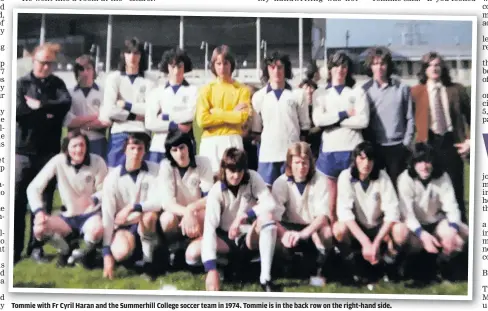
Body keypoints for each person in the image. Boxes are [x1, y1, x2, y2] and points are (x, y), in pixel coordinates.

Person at [15, 42, 72, 264]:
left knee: (44, 203)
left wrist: (40, 106)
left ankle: (36, 248)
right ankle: (15, 248)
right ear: (34, 61)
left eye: (50, 64)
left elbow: (64, 105)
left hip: (48, 153)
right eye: (42, 63)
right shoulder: (21, 84)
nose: (46, 67)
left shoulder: (57, 84)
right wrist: (47, 113)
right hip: (24, 152)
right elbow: (20, 112)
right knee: (19, 202)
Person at [201, 147, 280, 292]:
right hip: (225, 239)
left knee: (268, 219)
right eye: (232, 171)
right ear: (224, 169)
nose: (236, 176)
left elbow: (270, 203)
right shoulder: (216, 190)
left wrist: (245, 215)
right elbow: (209, 228)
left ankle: (265, 278)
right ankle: (223, 266)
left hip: (247, 236)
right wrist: (211, 270)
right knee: (193, 253)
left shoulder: (253, 177)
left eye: (240, 170)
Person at [26, 130, 107, 267]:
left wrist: (94, 199)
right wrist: (39, 212)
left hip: (90, 215)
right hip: (66, 216)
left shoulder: (97, 161)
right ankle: (65, 250)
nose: (79, 149)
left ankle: (82, 253)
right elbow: (33, 188)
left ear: (87, 146)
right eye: (74, 146)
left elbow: (105, 189)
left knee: (97, 231)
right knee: (39, 229)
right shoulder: (58, 161)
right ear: (66, 149)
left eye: (82, 145)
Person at [334, 142, 409, 281]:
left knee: (401, 230)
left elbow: (392, 212)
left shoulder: (382, 176)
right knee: (339, 228)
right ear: (355, 159)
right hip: (358, 227)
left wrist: (376, 243)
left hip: (378, 227)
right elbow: (345, 213)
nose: (366, 163)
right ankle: (354, 265)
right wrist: (365, 243)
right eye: (361, 158)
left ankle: (388, 263)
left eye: (370, 159)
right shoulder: (345, 177)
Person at [410, 51, 470, 223]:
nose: (434, 68)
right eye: (430, 65)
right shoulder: (415, 92)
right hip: (429, 145)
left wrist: (470, 141)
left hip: (453, 144)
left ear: (442, 67)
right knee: (432, 193)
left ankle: (462, 239)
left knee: (456, 191)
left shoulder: (456, 90)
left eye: (437, 64)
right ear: (424, 69)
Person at [312, 51, 369, 226]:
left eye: (344, 66)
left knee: (354, 199)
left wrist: (334, 122)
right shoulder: (320, 93)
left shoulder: (356, 92)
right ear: (330, 69)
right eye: (336, 66)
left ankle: (353, 240)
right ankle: (333, 241)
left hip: (352, 150)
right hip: (330, 151)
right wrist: (343, 114)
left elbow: (363, 121)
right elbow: (319, 120)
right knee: (331, 201)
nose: (340, 70)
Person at [397, 143, 468, 280]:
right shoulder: (405, 179)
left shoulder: (442, 176)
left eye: (428, 161)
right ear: (413, 163)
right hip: (415, 227)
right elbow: (408, 215)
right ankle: (409, 264)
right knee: (412, 243)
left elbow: (452, 206)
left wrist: (452, 232)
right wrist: (422, 235)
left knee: (458, 240)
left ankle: (444, 263)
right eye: (419, 161)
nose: (424, 166)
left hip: (436, 222)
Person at [101, 133, 162, 280]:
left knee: (149, 217)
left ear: (145, 151)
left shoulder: (156, 170)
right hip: (125, 225)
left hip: (146, 221)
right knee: (121, 253)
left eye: (140, 148)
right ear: (124, 150)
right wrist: (106, 254)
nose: (136, 152)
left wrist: (132, 207)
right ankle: (135, 254)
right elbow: (108, 215)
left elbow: (160, 201)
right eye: (132, 148)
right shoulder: (112, 178)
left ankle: (149, 263)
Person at [271, 142, 332, 285]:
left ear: (311, 163)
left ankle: (323, 264)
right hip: (290, 228)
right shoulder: (281, 183)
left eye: (305, 162)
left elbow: (323, 216)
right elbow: (275, 217)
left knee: (327, 232)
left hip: (313, 228)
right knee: (273, 231)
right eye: (297, 163)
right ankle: (285, 264)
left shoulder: (320, 180)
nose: (301, 167)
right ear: (290, 163)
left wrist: (304, 234)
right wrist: (287, 234)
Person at [252, 52, 311, 186]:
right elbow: (256, 131)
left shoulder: (298, 94)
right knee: (267, 199)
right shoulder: (258, 97)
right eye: (272, 67)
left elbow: (304, 128)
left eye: (280, 67)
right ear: (267, 69)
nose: (276, 71)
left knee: (292, 198)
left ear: (286, 69)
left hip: (291, 157)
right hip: (268, 156)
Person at [158, 129, 213, 266]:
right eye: (174, 150)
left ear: (189, 146)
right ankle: (174, 248)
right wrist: (187, 212)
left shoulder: (203, 162)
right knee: (166, 219)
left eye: (182, 147)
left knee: (208, 215)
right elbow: (167, 203)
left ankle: (197, 247)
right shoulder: (166, 166)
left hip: (197, 212)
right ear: (169, 153)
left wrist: (192, 210)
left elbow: (209, 197)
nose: (180, 153)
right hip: (178, 214)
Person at [362, 47, 414, 188]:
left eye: (382, 63)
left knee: (398, 189)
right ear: (370, 66)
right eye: (375, 63)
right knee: (377, 189)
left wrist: (406, 144)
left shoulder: (402, 89)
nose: (379, 67)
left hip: (398, 148)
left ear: (388, 65)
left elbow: (410, 118)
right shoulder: (364, 91)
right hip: (375, 147)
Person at [99, 37, 155, 168]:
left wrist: (126, 105)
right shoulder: (114, 78)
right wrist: (135, 116)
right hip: (119, 132)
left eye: (136, 53)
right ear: (123, 55)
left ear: (141, 56)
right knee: (114, 174)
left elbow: (151, 109)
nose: (132, 57)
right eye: (129, 53)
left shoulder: (150, 80)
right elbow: (109, 110)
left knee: (139, 176)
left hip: (142, 132)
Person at [196, 45, 251, 174]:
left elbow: (241, 117)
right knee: (209, 182)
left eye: (225, 63)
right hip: (210, 141)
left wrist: (217, 113)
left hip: (233, 139)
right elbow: (202, 120)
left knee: (234, 179)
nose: (222, 68)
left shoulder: (242, 89)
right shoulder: (206, 89)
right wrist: (232, 114)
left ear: (231, 64)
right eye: (218, 63)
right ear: (213, 65)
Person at [145, 48, 198, 164]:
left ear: (185, 67)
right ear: (167, 67)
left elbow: (190, 115)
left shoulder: (193, 90)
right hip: (159, 147)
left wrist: (164, 117)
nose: (176, 71)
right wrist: (174, 125)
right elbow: (149, 122)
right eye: (172, 66)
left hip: (183, 149)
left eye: (180, 66)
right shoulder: (156, 92)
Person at [64, 54, 110, 159]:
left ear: (94, 71)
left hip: (97, 142)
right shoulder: (69, 94)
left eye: (88, 69)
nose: (85, 72)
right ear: (76, 72)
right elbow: (69, 120)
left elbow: (105, 120)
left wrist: (85, 127)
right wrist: (94, 117)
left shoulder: (104, 93)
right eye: (81, 69)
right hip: (75, 143)